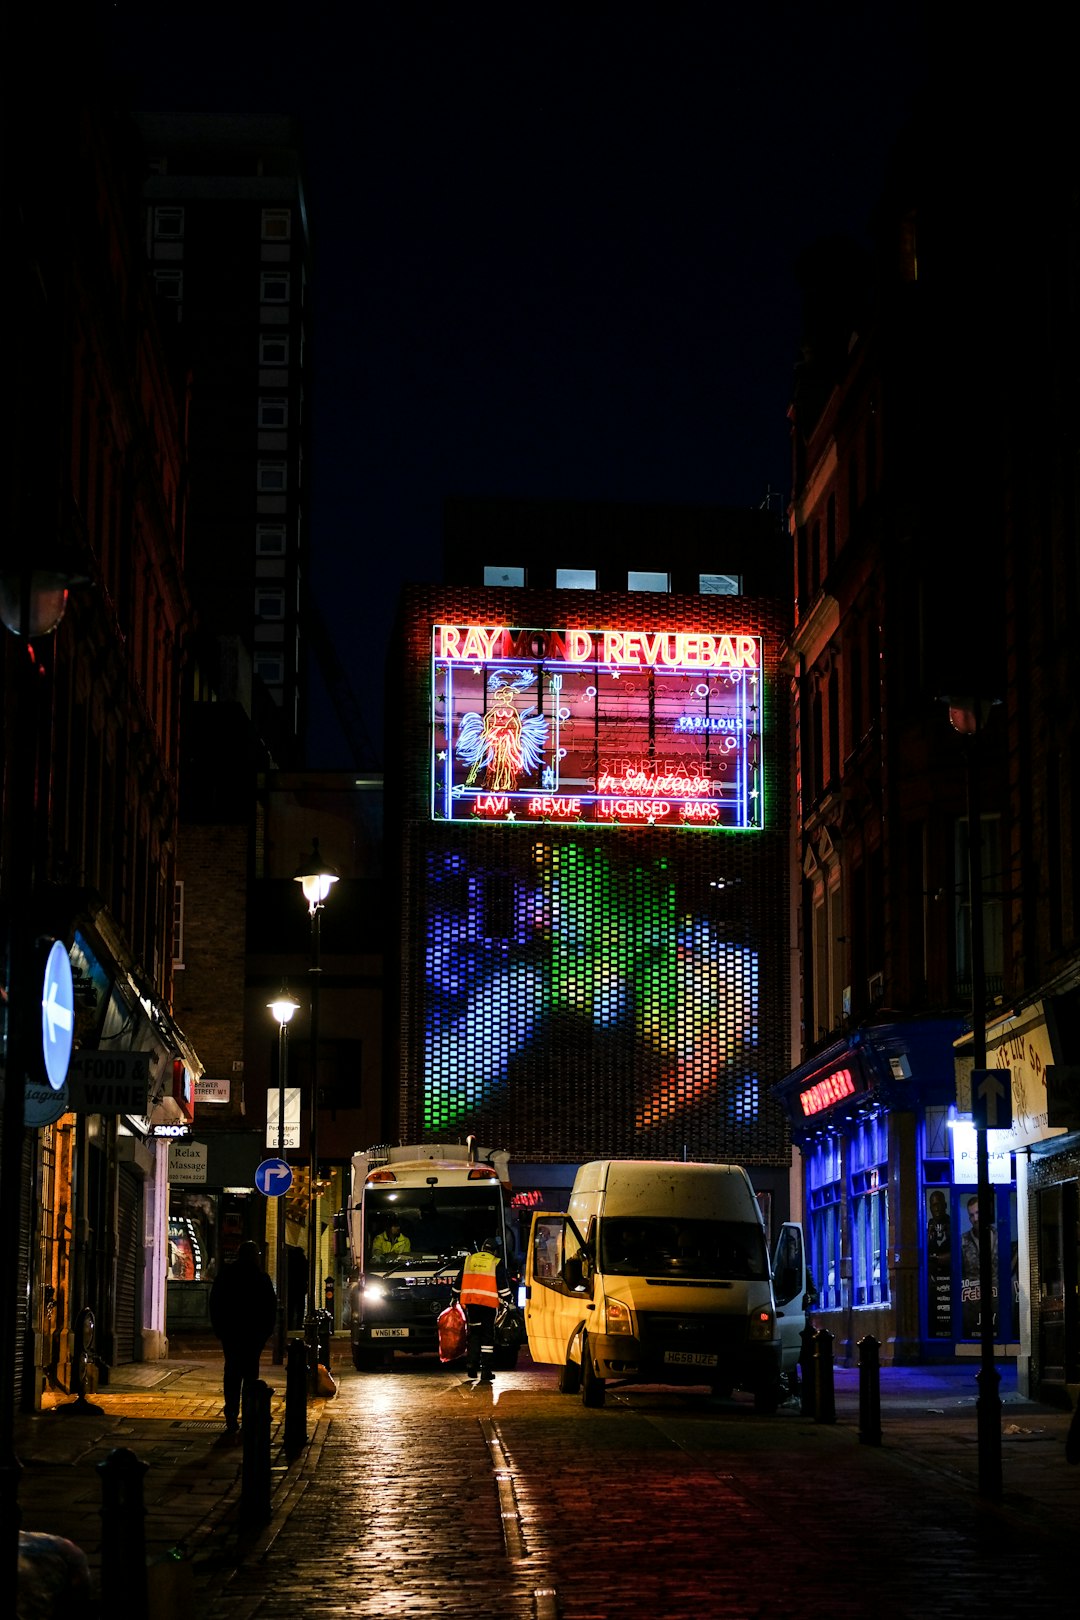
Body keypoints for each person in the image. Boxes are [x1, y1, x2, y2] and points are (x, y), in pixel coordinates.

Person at [208, 1240, 277, 1435]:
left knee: (231, 1374)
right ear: (255, 1256)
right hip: (253, 1336)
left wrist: (219, 1329)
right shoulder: (261, 1278)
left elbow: (215, 1303)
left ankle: (231, 1416)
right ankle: (249, 1414)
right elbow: (269, 1309)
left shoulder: (226, 1275)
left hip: (231, 1334)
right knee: (250, 1376)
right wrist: (265, 1334)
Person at [453, 1237, 512, 1383]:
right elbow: (503, 1288)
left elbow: (458, 1282)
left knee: (474, 1333)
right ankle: (486, 1371)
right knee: (487, 1336)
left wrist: (454, 1296)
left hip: (472, 1304)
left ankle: (471, 1364)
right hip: (488, 1305)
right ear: (495, 1251)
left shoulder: (469, 1260)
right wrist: (509, 1300)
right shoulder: (495, 1262)